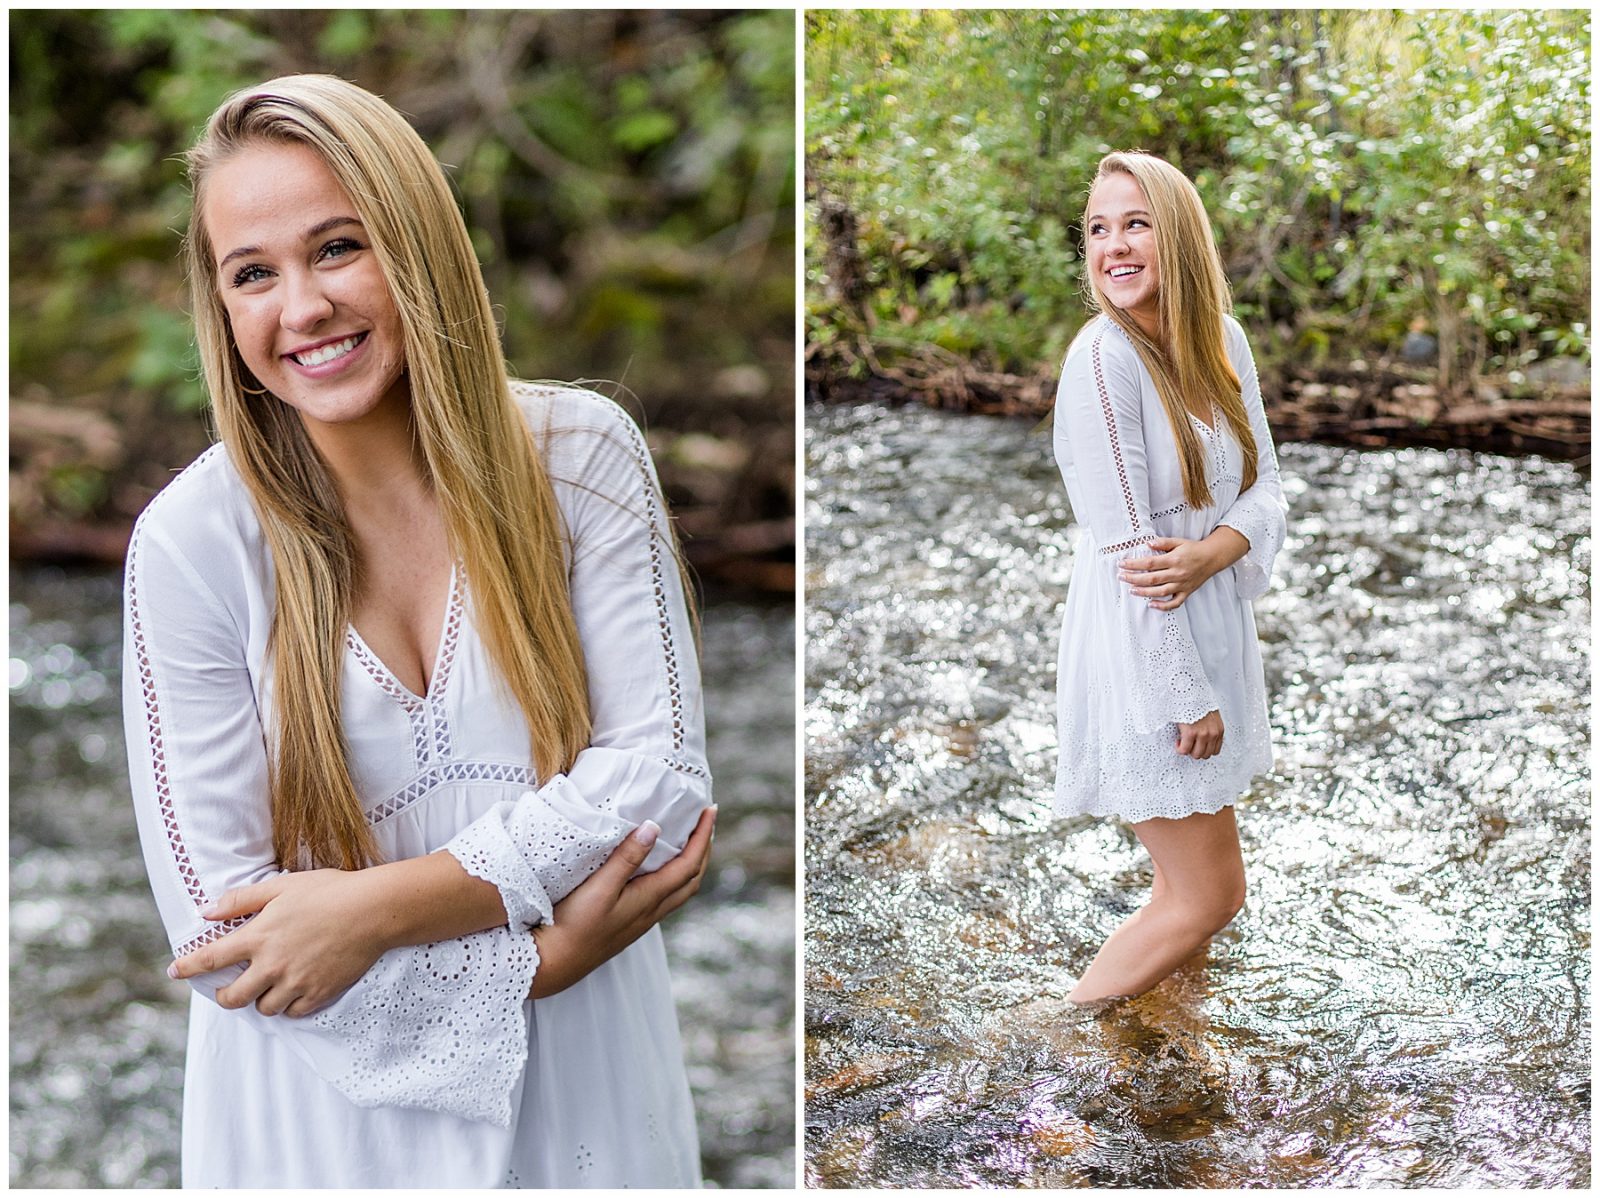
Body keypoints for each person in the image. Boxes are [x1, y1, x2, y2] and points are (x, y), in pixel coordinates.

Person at [121, 75, 715, 1187]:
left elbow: (660, 778)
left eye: (337, 248)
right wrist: (538, 960)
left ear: (418, 245)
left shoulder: (578, 455)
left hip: (585, 1100)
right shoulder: (192, 543)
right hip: (314, 1123)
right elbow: (223, 945)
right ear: (222, 308)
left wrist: (374, 909)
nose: (301, 308)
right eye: (254, 274)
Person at [1051, 151, 1287, 1004]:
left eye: (1135, 223)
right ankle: (1047, 1042)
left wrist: (1217, 550)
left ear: (1178, 236)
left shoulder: (1222, 340)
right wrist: (1184, 693)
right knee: (1210, 894)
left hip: (1210, 626)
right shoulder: (1102, 361)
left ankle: (1170, 1048)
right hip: (1146, 651)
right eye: (1098, 228)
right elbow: (1130, 558)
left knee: (1183, 897)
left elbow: (1268, 484)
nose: (1113, 246)